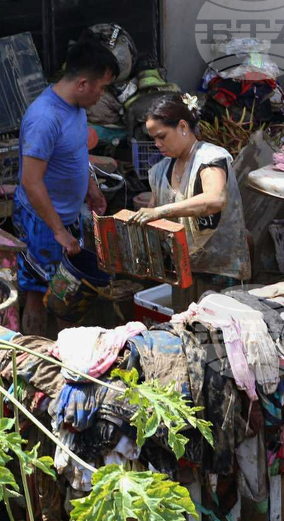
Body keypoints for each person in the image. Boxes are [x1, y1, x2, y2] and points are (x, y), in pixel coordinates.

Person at [13, 38, 119, 335]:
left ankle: (67, 356)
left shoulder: (77, 107)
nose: (102, 95)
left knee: (66, 293)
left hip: (66, 215)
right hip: (40, 220)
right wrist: (58, 230)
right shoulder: (44, 118)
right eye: (101, 87)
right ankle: (33, 358)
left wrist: (91, 187)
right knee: (40, 292)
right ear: (83, 83)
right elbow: (31, 181)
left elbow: (76, 153)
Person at [130, 93, 252, 309]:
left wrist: (160, 211)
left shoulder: (211, 158)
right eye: (153, 139)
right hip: (183, 270)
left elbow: (215, 199)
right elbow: (153, 217)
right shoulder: (160, 171)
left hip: (220, 272)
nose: (157, 144)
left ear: (183, 126)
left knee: (221, 335)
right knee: (185, 330)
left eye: (162, 136)